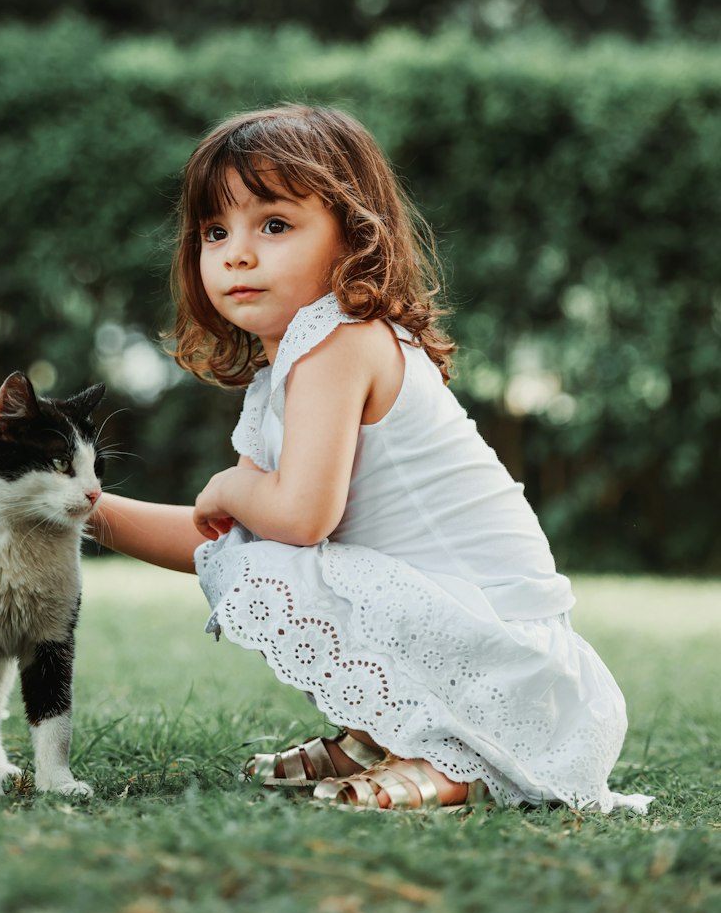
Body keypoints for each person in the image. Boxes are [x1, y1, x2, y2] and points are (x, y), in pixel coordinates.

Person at [91, 103, 652, 813]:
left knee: (278, 557)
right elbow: (223, 541)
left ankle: (453, 759)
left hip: (513, 673)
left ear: (353, 236)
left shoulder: (341, 342)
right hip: (493, 651)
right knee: (263, 554)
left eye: (274, 224)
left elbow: (292, 520)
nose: (236, 252)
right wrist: (79, 510)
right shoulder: (297, 363)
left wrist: (234, 486)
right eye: (214, 230)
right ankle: (377, 730)